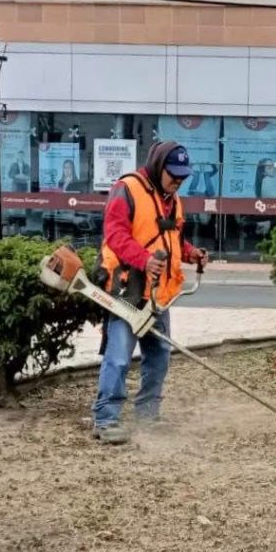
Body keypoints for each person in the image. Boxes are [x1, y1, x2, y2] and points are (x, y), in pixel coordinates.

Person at [91, 141, 209, 444]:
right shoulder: (127, 189)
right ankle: (106, 419)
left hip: (159, 295)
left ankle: (147, 415)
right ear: (158, 166)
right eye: (173, 174)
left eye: (183, 176)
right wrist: (144, 260)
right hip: (128, 289)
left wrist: (191, 253)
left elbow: (172, 239)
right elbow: (115, 235)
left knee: (159, 358)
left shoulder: (172, 199)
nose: (178, 180)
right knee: (119, 356)